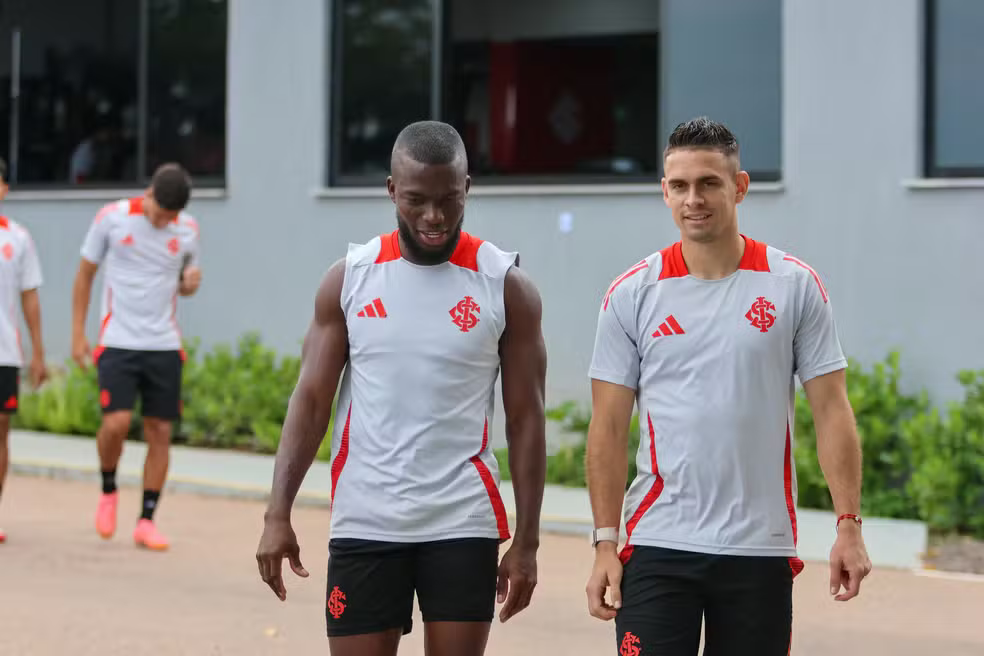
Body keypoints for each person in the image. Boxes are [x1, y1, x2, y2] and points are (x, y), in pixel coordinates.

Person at [256, 120, 547, 656]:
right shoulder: (350, 279)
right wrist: (278, 512)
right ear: (392, 190)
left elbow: (527, 418)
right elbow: (312, 401)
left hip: (461, 520)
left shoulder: (505, 286)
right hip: (367, 517)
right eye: (416, 199)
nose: (433, 216)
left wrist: (526, 540)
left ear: (467, 188)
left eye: (449, 200)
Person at [584, 117, 872, 655]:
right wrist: (605, 541)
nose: (694, 199)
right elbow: (607, 427)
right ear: (664, 191)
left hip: (758, 548)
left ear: (738, 187)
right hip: (658, 542)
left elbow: (832, 411)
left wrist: (848, 525)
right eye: (680, 185)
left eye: (709, 183)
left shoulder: (793, 285)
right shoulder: (633, 293)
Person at [71, 163, 202, 551]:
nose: (163, 221)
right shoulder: (111, 219)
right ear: (148, 194)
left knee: (160, 431)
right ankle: (108, 488)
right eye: (159, 213)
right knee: (116, 424)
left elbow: (183, 283)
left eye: (170, 217)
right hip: (117, 340)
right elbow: (84, 275)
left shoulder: (189, 230)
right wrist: (78, 334)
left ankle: (146, 519)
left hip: (163, 342)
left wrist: (188, 284)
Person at [0, 157, 49, 544]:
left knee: (1, 435)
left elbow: (30, 298)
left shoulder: (17, 238)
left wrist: (38, 353)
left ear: (4, 189)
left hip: (5, 353)